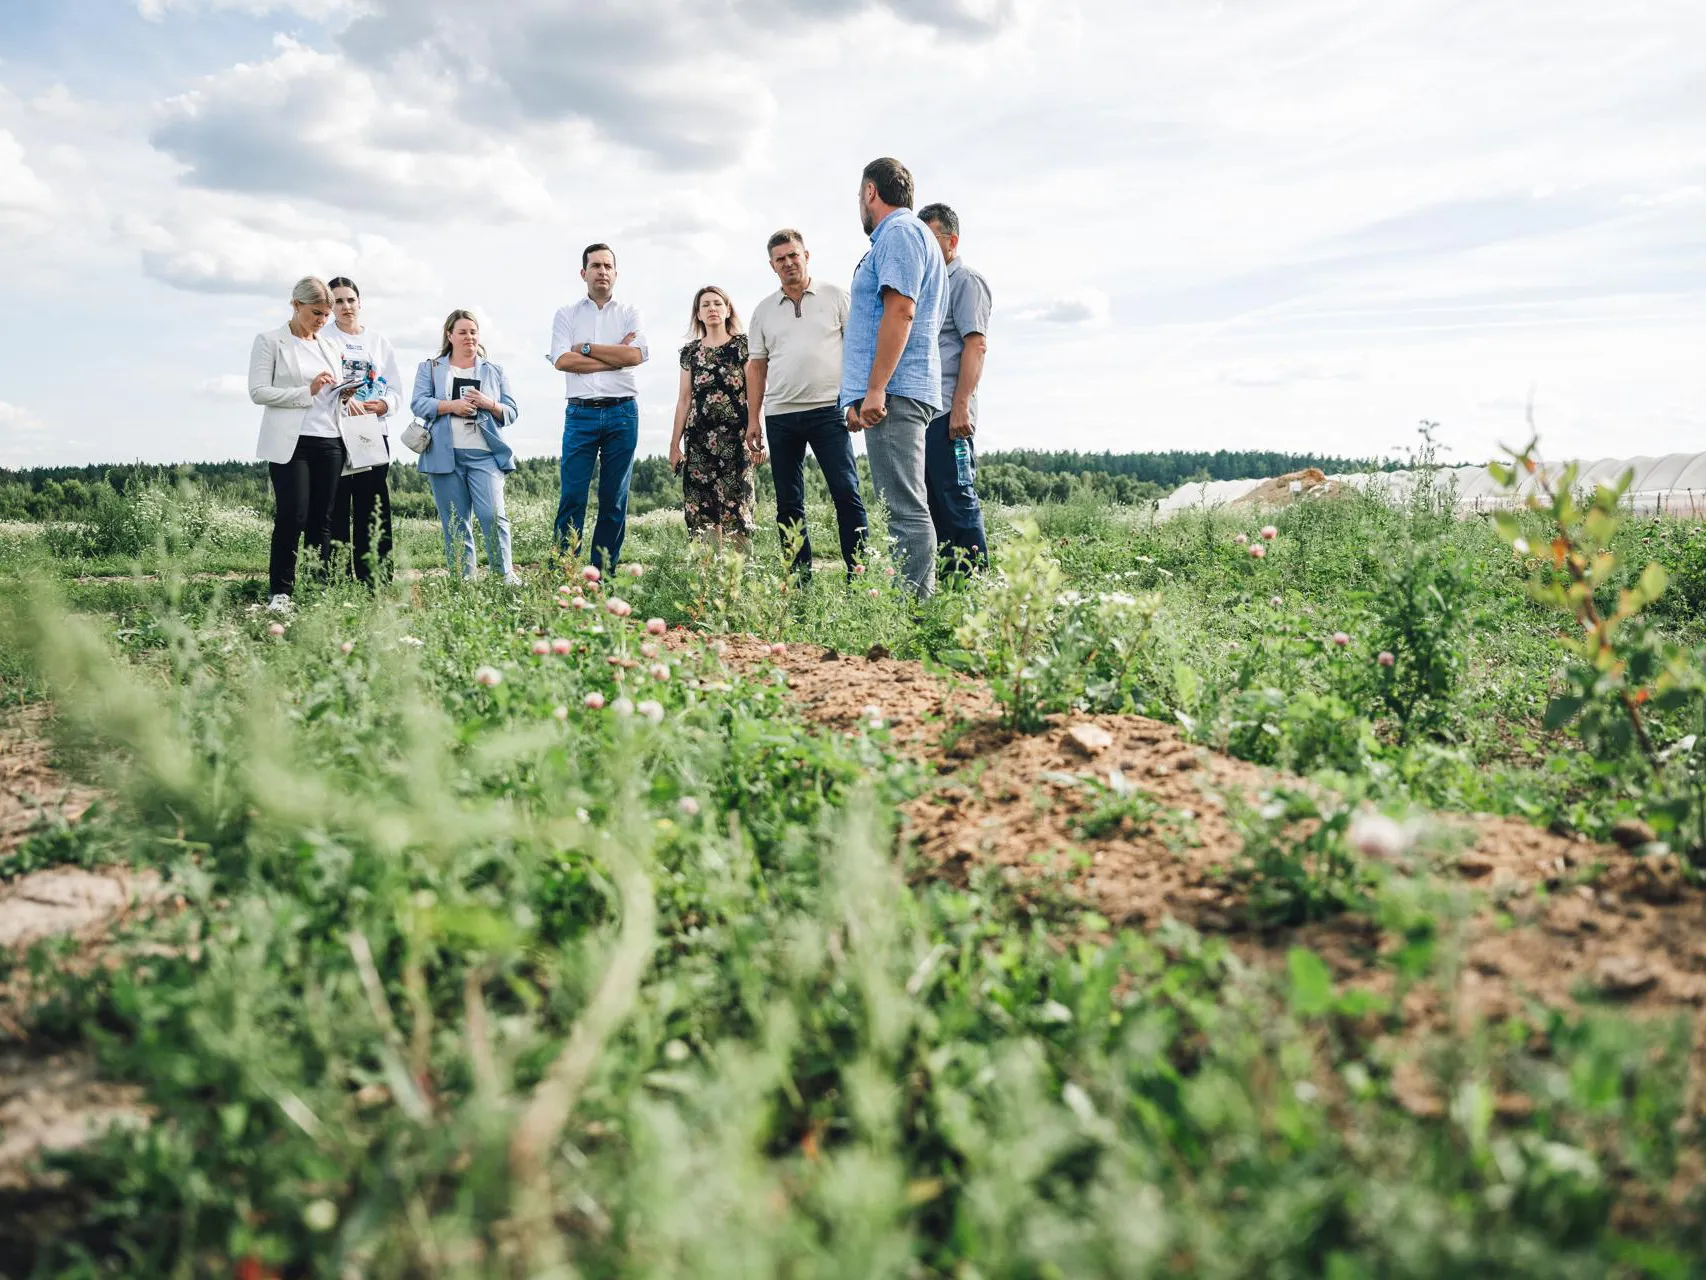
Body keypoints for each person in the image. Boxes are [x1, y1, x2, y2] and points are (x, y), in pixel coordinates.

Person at [839, 157, 947, 598]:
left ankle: (916, 614)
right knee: (903, 505)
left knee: (904, 509)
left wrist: (875, 388)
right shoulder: (907, 235)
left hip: (896, 391)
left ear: (870, 192)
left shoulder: (900, 234)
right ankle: (915, 607)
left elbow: (900, 311)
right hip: (897, 389)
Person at [743, 229, 868, 578]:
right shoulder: (763, 311)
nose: (788, 263)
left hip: (829, 410)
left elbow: (857, 350)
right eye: (780, 259)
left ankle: (858, 574)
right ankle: (799, 579)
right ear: (772, 265)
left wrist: (856, 400)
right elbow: (756, 368)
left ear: (806, 256)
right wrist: (753, 420)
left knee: (846, 492)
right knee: (788, 503)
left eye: (793, 256)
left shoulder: (836, 296)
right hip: (781, 415)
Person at [248, 275, 349, 612]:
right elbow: (258, 391)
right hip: (292, 442)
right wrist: (306, 392)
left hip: (330, 439)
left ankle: (319, 587)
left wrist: (343, 391)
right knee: (293, 515)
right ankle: (281, 592)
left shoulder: (329, 345)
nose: (321, 321)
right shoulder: (270, 341)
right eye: (315, 313)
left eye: (325, 315)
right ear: (295, 305)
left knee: (323, 520)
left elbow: (331, 392)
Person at [549, 244, 649, 570]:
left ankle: (602, 577)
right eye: (595, 266)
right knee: (573, 498)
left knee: (613, 501)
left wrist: (588, 350)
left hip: (622, 414)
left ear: (616, 273)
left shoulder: (630, 312)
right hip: (581, 414)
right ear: (584, 273)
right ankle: (564, 577)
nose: (602, 271)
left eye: (608, 266)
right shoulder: (566, 314)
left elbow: (634, 356)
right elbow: (563, 360)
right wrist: (613, 357)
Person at [411, 310, 521, 584]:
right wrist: (452, 406)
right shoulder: (431, 368)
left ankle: (504, 575)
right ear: (449, 336)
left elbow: (511, 412)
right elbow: (418, 403)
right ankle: (463, 581)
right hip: (444, 455)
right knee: (455, 523)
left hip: (485, 455)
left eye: (473, 331)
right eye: (462, 332)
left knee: (492, 515)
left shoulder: (494, 370)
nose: (469, 337)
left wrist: (488, 403)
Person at [917, 204, 992, 574]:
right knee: (933, 502)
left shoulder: (965, 282)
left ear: (952, 240)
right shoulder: (930, 287)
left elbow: (975, 345)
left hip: (950, 412)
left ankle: (974, 584)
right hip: (927, 411)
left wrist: (962, 405)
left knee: (956, 497)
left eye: (932, 240)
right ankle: (951, 585)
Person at [325, 276, 403, 585]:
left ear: (360, 303)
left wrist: (384, 405)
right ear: (330, 307)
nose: (345, 306)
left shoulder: (379, 342)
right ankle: (338, 577)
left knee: (373, 507)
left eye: (350, 300)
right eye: (338, 301)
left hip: (372, 431)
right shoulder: (324, 339)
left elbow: (396, 390)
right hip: (334, 431)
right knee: (337, 506)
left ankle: (376, 578)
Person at [669, 286, 754, 546]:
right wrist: (675, 445)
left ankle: (738, 580)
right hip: (699, 444)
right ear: (698, 313)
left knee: (737, 509)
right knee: (703, 514)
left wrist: (757, 432)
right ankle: (707, 582)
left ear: (728, 310)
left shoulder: (742, 346)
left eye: (718, 303)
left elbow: (754, 392)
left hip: (736, 442)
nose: (712, 308)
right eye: (705, 305)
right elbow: (684, 399)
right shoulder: (690, 352)